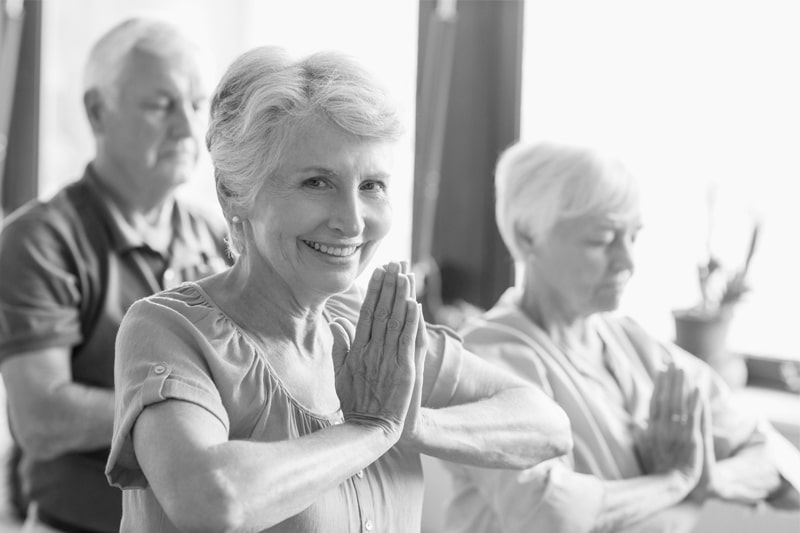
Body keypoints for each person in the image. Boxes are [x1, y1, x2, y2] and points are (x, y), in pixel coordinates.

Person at [103, 47, 573, 533]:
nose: (351, 221)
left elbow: (547, 423)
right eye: (317, 182)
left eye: (372, 185)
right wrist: (370, 431)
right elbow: (213, 500)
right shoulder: (168, 330)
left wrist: (411, 425)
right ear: (232, 191)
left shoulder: (369, 324)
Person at [442, 141, 800, 532]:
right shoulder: (485, 358)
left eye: (633, 238)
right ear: (528, 236)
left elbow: (777, 461)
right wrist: (673, 481)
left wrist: (708, 480)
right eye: (603, 240)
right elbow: (549, 514)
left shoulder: (632, 342)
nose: (628, 262)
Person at [0, 18, 230, 533]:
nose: (189, 130)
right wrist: (189, 418)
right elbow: (41, 419)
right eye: (160, 105)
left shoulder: (218, 236)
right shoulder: (40, 240)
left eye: (197, 104)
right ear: (97, 112)